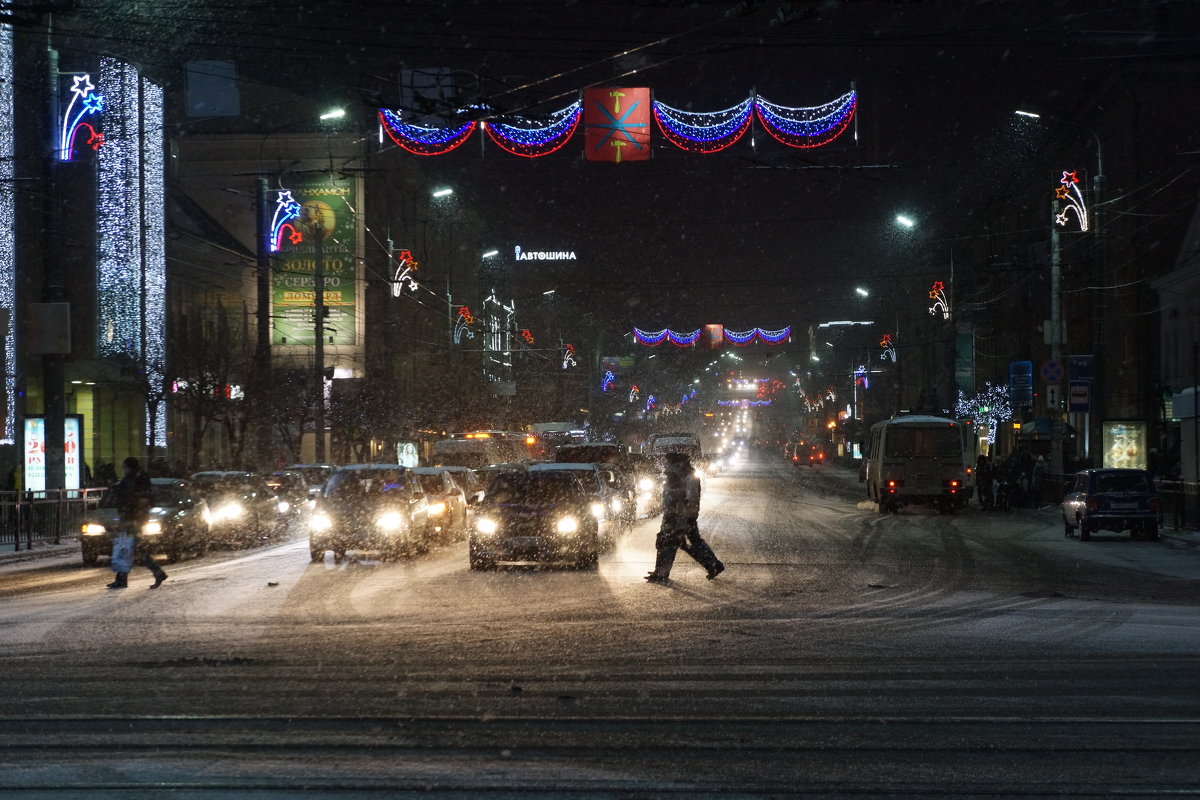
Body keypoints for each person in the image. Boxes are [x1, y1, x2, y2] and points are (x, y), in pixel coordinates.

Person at [106, 457, 168, 590]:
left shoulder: (131, 480)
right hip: (138, 518)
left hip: (131, 519)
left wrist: (117, 491)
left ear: (128, 467)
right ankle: (122, 578)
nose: (123, 469)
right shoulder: (141, 479)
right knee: (129, 548)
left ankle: (157, 572)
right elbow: (145, 499)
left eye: (124, 466)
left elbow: (127, 500)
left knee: (130, 548)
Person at [646, 453, 693, 584]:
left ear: (670, 461)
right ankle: (660, 570)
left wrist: (671, 513)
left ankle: (661, 572)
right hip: (673, 515)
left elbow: (674, 496)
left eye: (665, 460)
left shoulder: (673, 475)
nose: (663, 462)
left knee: (666, 543)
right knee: (666, 542)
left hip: (673, 516)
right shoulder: (675, 474)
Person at [679, 455, 724, 580]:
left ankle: (713, 565)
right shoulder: (687, 475)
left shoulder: (690, 476)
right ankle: (713, 565)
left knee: (692, 542)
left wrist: (686, 513)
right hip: (687, 513)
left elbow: (691, 497)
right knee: (692, 541)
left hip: (688, 514)